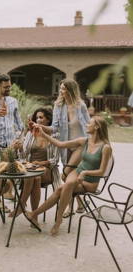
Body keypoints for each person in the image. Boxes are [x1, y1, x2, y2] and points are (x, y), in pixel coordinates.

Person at [26, 116, 112, 235]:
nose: (86, 125)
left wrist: (85, 173)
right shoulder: (84, 141)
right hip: (77, 173)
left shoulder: (105, 147)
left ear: (97, 127)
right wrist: (43, 133)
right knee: (67, 185)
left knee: (63, 187)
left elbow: (102, 171)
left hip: (91, 182)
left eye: (89, 123)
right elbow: (60, 144)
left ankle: (43, 216)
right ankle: (49, 218)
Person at [30, 79, 90, 216]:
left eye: (64, 89)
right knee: (70, 177)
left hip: (80, 145)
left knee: (66, 175)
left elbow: (88, 126)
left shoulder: (81, 106)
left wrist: (92, 144)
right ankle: (79, 205)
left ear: (71, 90)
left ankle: (70, 208)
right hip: (65, 146)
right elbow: (54, 128)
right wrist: (40, 127)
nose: (61, 92)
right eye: (61, 89)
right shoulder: (58, 106)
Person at [9, 107, 61, 225]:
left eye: (41, 117)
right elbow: (23, 155)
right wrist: (20, 148)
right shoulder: (30, 134)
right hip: (30, 168)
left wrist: (41, 163)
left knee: (34, 176)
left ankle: (21, 206)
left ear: (48, 120)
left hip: (48, 170)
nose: (38, 120)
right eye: (36, 117)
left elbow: (55, 160)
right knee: (35, 178)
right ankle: (34, 218)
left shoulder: (55, 136)